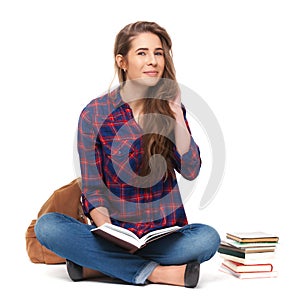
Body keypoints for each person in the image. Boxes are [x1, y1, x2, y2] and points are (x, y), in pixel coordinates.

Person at [35, 21, 220, 288]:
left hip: (162, 236)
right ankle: (157, 273)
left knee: (207, 239)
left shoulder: (170, 109)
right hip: (113, 233)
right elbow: (92, 186)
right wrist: (108, 231)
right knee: (49, 227)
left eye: (158, 53)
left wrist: (178, 116)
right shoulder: (95, 113)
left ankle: (95, 266)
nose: (153, 61)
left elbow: (191, 170)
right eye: (142, 53)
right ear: (122, 61)